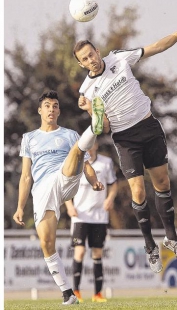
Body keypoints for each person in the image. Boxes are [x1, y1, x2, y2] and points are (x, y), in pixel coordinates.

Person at [73, 32, 177, 274]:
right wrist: (92, 111)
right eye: (85, 60)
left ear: (98, 51)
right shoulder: (87, 90)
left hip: (148, 126)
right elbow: (105, 128)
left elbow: (156, 47)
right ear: (81, 64)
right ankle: (150, 244)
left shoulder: (119, 59)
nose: (91, 61)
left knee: (162, 183)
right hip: (125, 138)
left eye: (92, 54)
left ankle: (171, 237)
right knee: (138, 190)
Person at [13, 90, 105, 306]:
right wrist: (20, 207)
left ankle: (94, 126)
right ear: (40, 110)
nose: (51, 109)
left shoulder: (69, 134)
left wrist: (93, 182)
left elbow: (87, 165)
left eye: (55, 106)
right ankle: (68, 293)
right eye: (47, 105)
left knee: (76, 151)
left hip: (65, 179)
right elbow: (26, 176)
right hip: (43, 191)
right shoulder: (29, 139)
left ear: (59, 111)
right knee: (47, 243)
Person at [65, 141, 118, 303]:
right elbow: (65, 187)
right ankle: (76, 292)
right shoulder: (75, 162)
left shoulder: (106, 163)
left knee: (97, 253)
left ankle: (97, 294)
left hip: (99, 217)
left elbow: (113, 184)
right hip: (80, 216)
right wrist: (69, 206)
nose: (89, 146)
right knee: (79, 252)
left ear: (96, 145)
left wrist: (110, 198)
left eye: (91, 143)